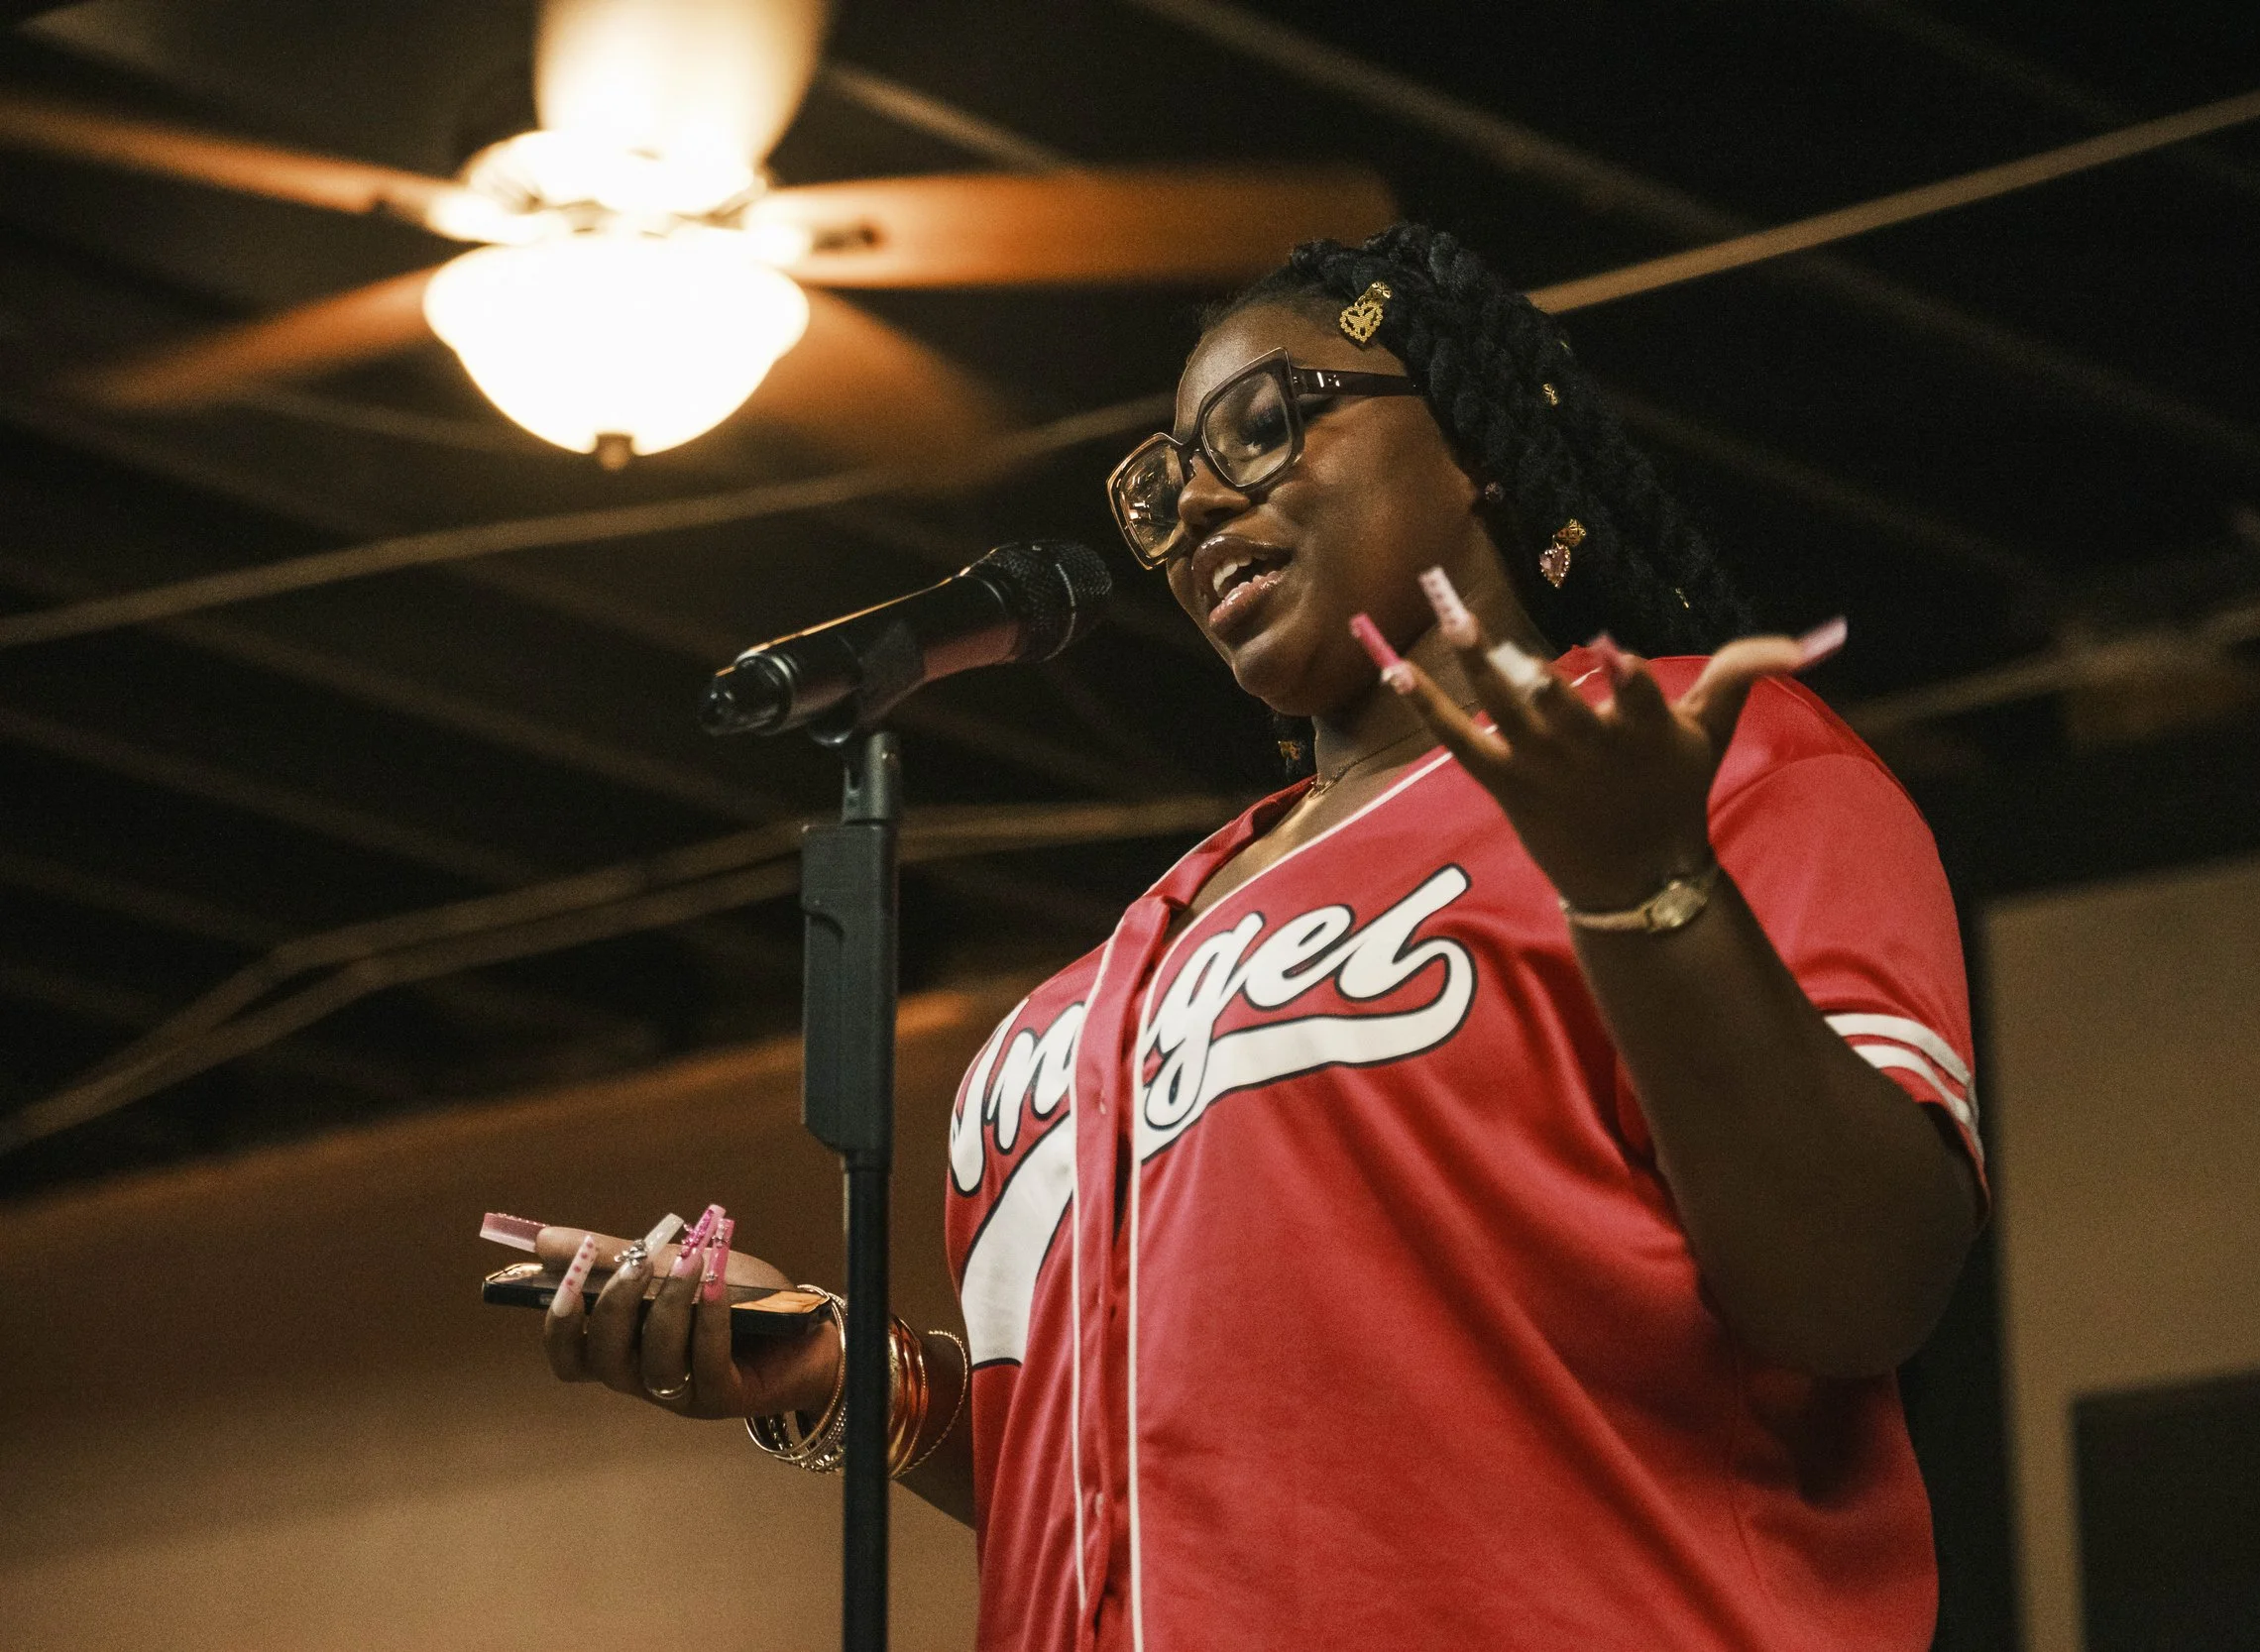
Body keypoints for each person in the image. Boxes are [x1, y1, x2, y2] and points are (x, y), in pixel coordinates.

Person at [528, 224, 1985, 1652]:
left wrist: (1646, 888)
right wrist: (856, 1373)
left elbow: (1862, 1286)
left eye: (1263, 427)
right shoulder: (1122, 960)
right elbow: (1154, 1477)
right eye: (1165, 492)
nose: (1204, 510)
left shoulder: (1704, 759)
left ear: (1473, 437)